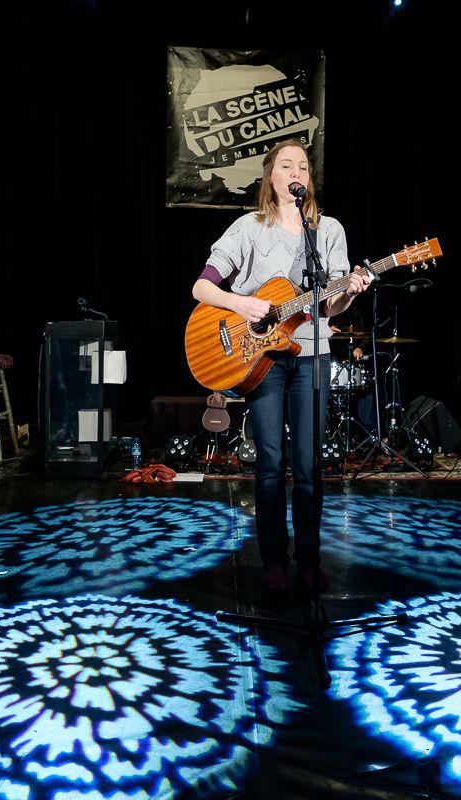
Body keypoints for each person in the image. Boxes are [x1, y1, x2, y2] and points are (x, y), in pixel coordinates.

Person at [192, 138, 369, 594]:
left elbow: (329, 307)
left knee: (309, 465)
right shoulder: (248, 228)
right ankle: (273, 560)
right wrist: (242, 304)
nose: (296, 173)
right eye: (287, 166)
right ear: (270, 177)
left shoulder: (328, 231)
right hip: (263, 357)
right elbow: (202, 288)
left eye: (304, 167)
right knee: (270, 461)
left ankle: (309, 561)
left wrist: (350, 291)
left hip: (312, 354)